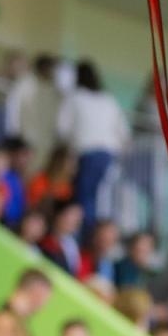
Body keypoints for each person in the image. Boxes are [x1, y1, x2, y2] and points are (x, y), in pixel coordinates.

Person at [58, 59, 129, 229]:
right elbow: (124, 131)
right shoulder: (108, 99)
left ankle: (83, 233)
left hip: (87, 153)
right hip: (109, 155)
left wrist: (70, 146)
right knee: (102, 201)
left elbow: (61, 128)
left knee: (85, 198)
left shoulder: (75, 97)